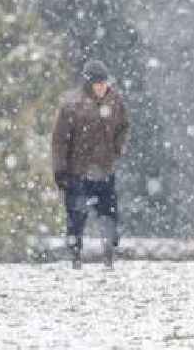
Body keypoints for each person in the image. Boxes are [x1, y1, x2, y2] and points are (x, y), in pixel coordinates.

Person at [52, 59, 129, 269]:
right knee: (76, 215)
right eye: (97, 83)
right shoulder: (71, 106)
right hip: (78, 172)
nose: (102, 86)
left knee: (109, 214)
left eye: (104, 82)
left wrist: (117, 149)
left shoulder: (115, 102)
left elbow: (123, 127)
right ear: (88, 84)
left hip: (105, 170)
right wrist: (60, 171)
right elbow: (60, 141)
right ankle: (75, 256)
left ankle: (109, 255)